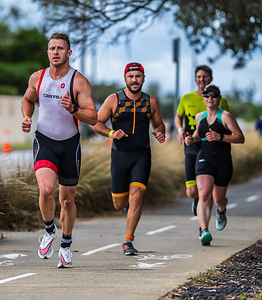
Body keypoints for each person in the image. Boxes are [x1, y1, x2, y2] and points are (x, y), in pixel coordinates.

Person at [21, 33, 97, 268]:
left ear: (68, 53)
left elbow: (93, 116)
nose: (56, 52)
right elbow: (27, 99)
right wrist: (26, 117)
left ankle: (65, 244)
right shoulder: (37, 77)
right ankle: (49, 230)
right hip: (45, 140)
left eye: (60, 48)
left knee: (67, 201)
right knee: (45, 190)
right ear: (47, 52)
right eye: (52, 48)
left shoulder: (79, 81)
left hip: (69, 145)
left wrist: (73, 108)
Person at [92, 62, 166, 255]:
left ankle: (128, 241)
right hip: (120, 155)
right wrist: (110, 133)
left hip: (142, 155)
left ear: (143, 78)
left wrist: (159, 133)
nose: (134, 80)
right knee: (118, 204)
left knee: (136, 196)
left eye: (138, 76)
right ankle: (129, 210)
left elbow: (159, 125)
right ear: (125, 78)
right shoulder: (113, 100)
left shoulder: (151, 102)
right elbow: (96, 124)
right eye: (131, 77)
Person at [185, 84, 244, 246]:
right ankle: (204, 230)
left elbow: (240, 137)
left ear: (218, 99)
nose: (210, 98)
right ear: (203, 99)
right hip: (204, 158)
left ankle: (221, 210)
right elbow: (199, 134)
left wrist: (221, 136)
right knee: (203, 194)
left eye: (213, 95)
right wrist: (191, 139)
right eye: (207, 95)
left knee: (219, 198)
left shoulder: (225, 117)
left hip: (223, 161)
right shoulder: (199, 117)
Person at [174, 65, 231, 216]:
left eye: (205, 76)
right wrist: (180, 130)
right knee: (192, 191)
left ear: (210, 79)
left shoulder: (220, 100)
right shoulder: (186, 98)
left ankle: (204, 218)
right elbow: (178, 117)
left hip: (210, 146)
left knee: (206, 190)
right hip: (192, 144)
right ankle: (199, 199)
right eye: (199, 77)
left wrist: (221, 137)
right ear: (195, 79)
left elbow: (227, 122)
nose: (202, 79)